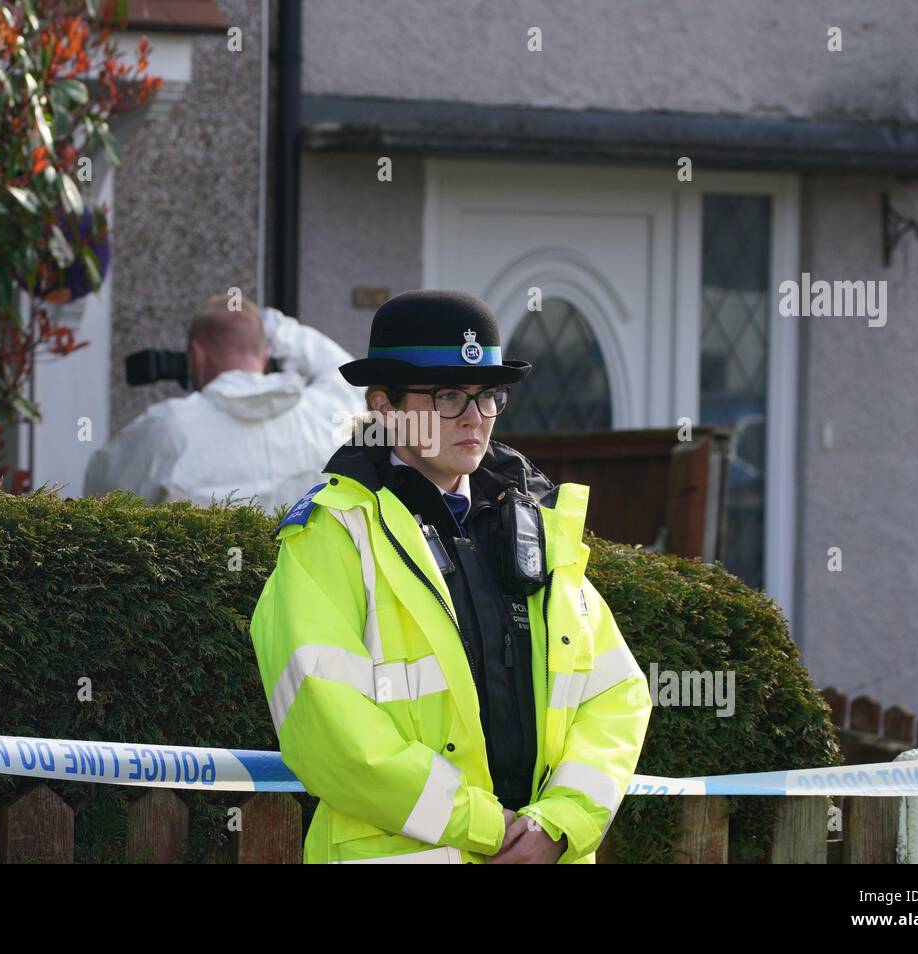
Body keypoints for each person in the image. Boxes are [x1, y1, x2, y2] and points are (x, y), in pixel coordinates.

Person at [249, 289, 653, 863]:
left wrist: (560, 823)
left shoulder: (535, 524)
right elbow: (329, 730)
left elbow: (616, 693)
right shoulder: (332, 532)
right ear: (384, 406)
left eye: (488, 396)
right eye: (447, 396)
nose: (475, 418)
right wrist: (486, 828)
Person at [82, 294, 363, 512]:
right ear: (264, 356)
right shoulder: (324, 416)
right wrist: (275, 326)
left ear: (196, 355)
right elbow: (347, 372)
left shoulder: (168, 430)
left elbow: (100, 492)